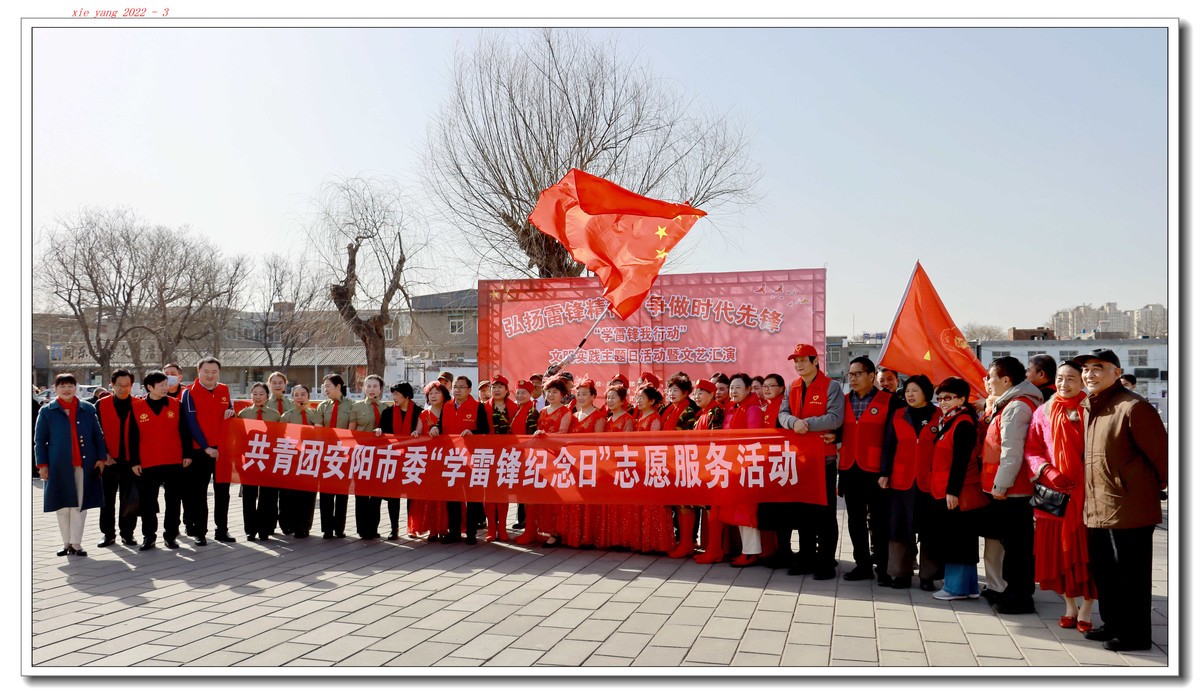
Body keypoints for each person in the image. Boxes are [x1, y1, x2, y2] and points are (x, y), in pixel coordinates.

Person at [1076, 348, 1167, 652]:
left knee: (1132, 576)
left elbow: (1161, 456)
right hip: (1097, 503)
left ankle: (1136, 635)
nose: (1090, 374)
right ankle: (1113, 624)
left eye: (1098, 368)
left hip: (1129, 506)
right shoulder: (1091, 406)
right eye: (1086, 369)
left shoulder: (1133, 407)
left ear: (1116, 372)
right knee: (1105, 572)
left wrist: (1158, 488)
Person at [1024, 361, 1096, 633]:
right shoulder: (1043, 412)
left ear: (1082, 382)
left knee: (1086, 555)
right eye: (1061, 378)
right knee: (1058, 555)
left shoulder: (1093, 410)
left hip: (1087, 495)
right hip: (1053, 495)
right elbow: (1032, 449)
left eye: (1071, 379)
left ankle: (1087, 608)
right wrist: (1047, 470)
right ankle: (1070, 606)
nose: (1065, 384)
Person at [979, 356, 1044, 614]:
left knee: (1017, 547)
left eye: (990, 376)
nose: (987, 381)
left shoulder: (1017, 407)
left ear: (1006, 380)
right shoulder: (1009, 403)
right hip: (1007, 488)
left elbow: (1012, 451)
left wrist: (1001, 485)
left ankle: (1019, 596)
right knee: (1012, 544)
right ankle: (1010, 591)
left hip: (1013, 492)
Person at [776, 344, 844, 580]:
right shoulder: (792, 386)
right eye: (795, 361)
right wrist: (793, 422)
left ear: (815, 361)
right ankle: (805, 559)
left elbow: (835, 418)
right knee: (803, 510)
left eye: (803, 360)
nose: (798, 365)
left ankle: (826, 562)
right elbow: (782, 414)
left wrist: (806, 424)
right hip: (799, 458)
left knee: (825, 513)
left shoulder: (831, 386)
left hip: (823, 459)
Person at [837, 356, 897, 585]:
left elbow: (893, 438)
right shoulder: (843, 402)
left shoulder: (889, 401)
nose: (852, 378)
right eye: (850, 374)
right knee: (855, 520)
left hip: (876, 471)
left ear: (871, 376)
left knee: (880, 521)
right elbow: (840, 430)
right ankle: (862, 564)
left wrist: (887, 471)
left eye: (857, 374)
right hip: (850, 468)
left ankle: (883, 567)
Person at [35, 373, 108, 557]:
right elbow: (39, 440)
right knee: (62, 505)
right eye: (62, 386)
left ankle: (76, 543)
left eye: (70, 385)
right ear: (56, 388)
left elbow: (97, 436)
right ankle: (65, 542)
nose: (67, 389)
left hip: (85, 463)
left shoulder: (88, 409)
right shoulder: (47, 411)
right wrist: (42, 465)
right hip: (57, 465)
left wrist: (101, 458)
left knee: (79, 504)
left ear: (75, 387)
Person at [929, 377, 989, 600]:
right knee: (961, 539)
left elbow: (961, 461)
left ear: (962, 399)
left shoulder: (962, 423)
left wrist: (952, 491)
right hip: (953, 490)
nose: (943, 402)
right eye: (940, 398)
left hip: (960, 491)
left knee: (957, 539)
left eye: (948, 398)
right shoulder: (952, 420)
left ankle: (956, 588)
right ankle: (970, 586)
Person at [879, 374, 939, 590]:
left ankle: (927, 576)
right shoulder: (898, 415)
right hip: (901, 479)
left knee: (929, 529)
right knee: (899, 527)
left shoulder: (938, 415)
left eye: (915, 390)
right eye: (908, 391)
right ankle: (900, 574)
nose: (910, 395)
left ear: (926, 392)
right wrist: (884, 472)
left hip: (929, 480)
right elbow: (888, 445)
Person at [131, 370, 192, 551]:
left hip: (173, 461)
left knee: (173, 501)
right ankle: (149, 537)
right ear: (150, 387)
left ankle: (171, 536)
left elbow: (185, 431)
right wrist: (135, 461)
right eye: (161, 385)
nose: (166, 388)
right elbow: (132, 437)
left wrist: (187, 454)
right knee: (148, 501)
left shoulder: (176, 405)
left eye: (167, 384)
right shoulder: (137, 407)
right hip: (148, 462)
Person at [180, 357, 237, 545]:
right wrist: (206, 447)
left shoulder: (224, 390)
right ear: (199, 372)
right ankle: (200, 531)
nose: (210, 375)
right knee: (199, 493)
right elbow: (191, 423)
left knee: (223, 492)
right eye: (207, 371)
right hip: (200, 451)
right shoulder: (188, 393)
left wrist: (231, 411)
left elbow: (228, 411)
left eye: (214, 372)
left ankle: (222, 530)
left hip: (222, 451)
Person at [516, 377, 573, 547]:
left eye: (555, 392)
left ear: (562, 394)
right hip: (541, 458)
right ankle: (541, 528)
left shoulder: (565, 412)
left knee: (555, 497)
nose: (551, 394)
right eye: (548, 391)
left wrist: (545, 436)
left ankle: (556, 532)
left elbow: (563, 434)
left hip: (557, 458)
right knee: (539, 495)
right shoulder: (542, 411)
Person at [432, 375, 488, 544]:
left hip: (472, 458)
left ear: (469, 390)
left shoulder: (478, 407)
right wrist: (435, 427)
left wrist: (474, 433)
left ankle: (471, 533)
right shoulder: (447, 406)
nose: (457, 390)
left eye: (461, 387)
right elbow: (440, 425)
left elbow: (485, 429)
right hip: (451, 458)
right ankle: (454, 531)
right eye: (455, 387)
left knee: (472, 496)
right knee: (453, 496)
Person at [716, 373, 765, 567]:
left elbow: (752, 440)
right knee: (738, 510)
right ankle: (746, 550)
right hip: (733, 465)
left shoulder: (753, 409)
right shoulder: (734, 408)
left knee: (747, 510)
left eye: (738, 387)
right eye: (731, 388)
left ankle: (752, 552)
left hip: (746, 465)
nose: (733, 391)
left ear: (747, 389)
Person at [559, 379, 607, 548]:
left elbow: (599, 443)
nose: (580, 397)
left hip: (591, 465)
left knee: (588, 500)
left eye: (584, 394)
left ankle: (588, 535)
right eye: (578, 394)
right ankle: (573, 534)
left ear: (593, 396)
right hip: (574, 464)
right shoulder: (572, 416)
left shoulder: (599, 417)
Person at [95, 369, 140, 547]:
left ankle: (128, 533)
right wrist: (103, 454)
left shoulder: (138, 404)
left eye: (127, 385)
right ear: (112, 385)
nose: (123, 389)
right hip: (109, 460)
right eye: (119, 385)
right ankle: (108, 534)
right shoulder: (101, 404)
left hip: (131, 461)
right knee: (107, 499)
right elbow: (96, 434)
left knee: (130, 499)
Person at [660, 372, 701, 559]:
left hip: (683, 462)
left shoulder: (689, 411)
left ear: (686, 393)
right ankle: (681, 540)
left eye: (675, 390)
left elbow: (687, 438)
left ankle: (688, 542)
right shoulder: (668, 409)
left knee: (685, 503)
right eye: (670, 390)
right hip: (667, 462)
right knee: (676, 503)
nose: (671, 393)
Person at [375, 381, 422, 541]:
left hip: (412, 458)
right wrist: (380, 431)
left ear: (406, 396)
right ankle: (394, 527)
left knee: (411, 494)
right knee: (393, 495)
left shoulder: (419, 412)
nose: (393, 397)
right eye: (392, 394)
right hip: (393, 458)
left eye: (396, 394)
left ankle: (412, 526)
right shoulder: (387, 412)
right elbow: (383, 429)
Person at [236, 382, 283, 541]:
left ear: (267, 396)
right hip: (249, 459)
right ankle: (250, 529)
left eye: (261, 394)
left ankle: (265, 528)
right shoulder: (243, 414)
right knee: (249, 495)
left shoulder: (275, 415)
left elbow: (280, 437)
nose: (257, 397)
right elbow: (239, 437)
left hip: (268, 458)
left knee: (267, 495)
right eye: (254, 394)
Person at [757, 373, 793, 568]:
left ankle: (785, 552)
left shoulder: (784, 407)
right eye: (765, 386)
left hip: (781, 464)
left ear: (781, 388)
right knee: (773, 511)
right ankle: (779, 551)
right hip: (767, 465)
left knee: (783, 511)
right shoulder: (766, 407)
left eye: (771, 386)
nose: (767, 389)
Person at [313, 373, 353, 539]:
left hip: (344, 454)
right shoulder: (322, 407)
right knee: (326, 493)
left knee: (342, 493)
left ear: (338, 387)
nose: (325, 389)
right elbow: (318, 429)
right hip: (326, 454)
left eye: (328, 386)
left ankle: (340, 528)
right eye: (324, 387)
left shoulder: (352, 406)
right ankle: (327, 528)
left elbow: (352, 430)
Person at [480, 374, 519, 543]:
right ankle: (491, 528)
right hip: (488, 454)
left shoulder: (514, 408)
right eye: (493, 387)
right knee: (488, 493)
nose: (496, 390)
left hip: (507, 455)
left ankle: (502, 527)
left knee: (503, 493)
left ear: (506, 390)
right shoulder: (483, 407)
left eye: (500, 387)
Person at [411, 381, 451, 542]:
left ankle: (446, 527)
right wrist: (415, 433)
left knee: (447, 494)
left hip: (448, 459)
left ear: (444, 395)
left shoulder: (450, 411)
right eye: (430, 394)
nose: (433, 396)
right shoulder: (424, 414)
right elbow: (418, 432)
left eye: (436, 393)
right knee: (430, 494)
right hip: (430, 460)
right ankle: (433, 528)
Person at [350, 374, 388, 540]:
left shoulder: (386, 408)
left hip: (380, 456)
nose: (372, 389)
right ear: (364, 388)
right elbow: (350, 431)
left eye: (375, 386)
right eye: (369, 386)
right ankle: (362, 528)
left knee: (377, 493)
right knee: (362, 493)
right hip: (362, 454)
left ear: (380, 389)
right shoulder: (356, 407)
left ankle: (373, 527)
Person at [279, 383, 317, 538]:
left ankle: (305, 526)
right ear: (292, 397)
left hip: (310, 458)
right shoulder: (286, 416)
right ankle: (290, 524)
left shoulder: (315, 415)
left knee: (308, 494)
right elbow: (281, 437)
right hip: (292, 458)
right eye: (296, 394)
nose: (300, 397)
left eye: (303, 394)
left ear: (308, 397)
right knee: (291, 494)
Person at [509, 379, 539, 532]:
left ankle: (527, 520)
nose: (520, 395)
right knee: (520, 489)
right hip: (515, 455)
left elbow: (531, 434)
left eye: (524, 393)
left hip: (525, 455)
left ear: (530, 394)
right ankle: (521, 519)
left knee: (526, 488)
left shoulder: (531, 411)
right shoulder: (515, 410)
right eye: (518, 392)